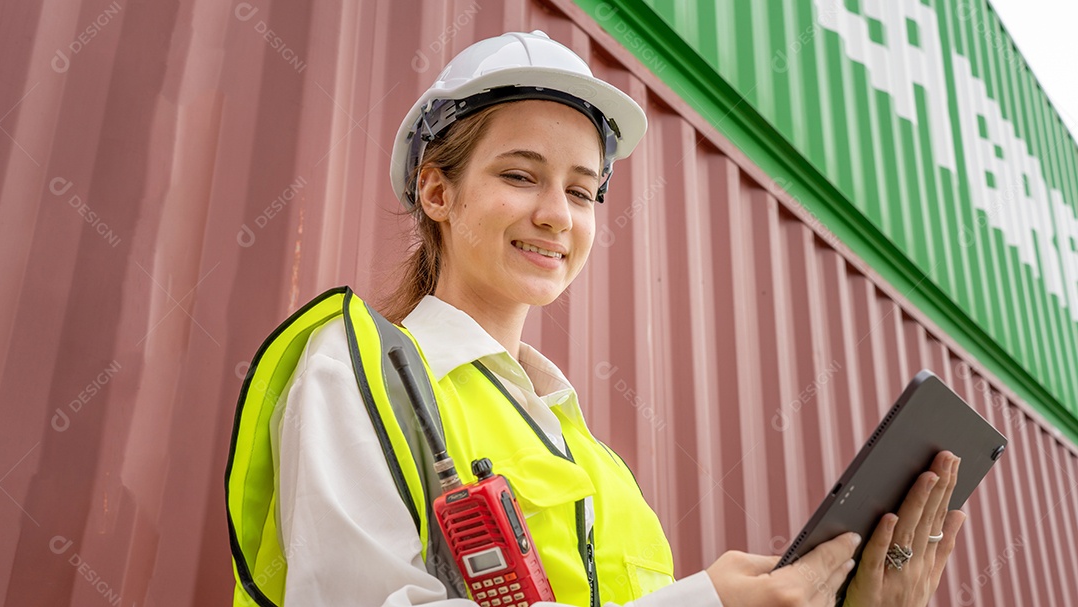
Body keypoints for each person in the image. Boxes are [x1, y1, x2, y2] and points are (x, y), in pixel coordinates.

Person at [228, 31, 967, 607]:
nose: (556, 216)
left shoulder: (597, 469)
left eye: (582, 192)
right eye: (520, 176)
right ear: (436, 192)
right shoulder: (355, 367)